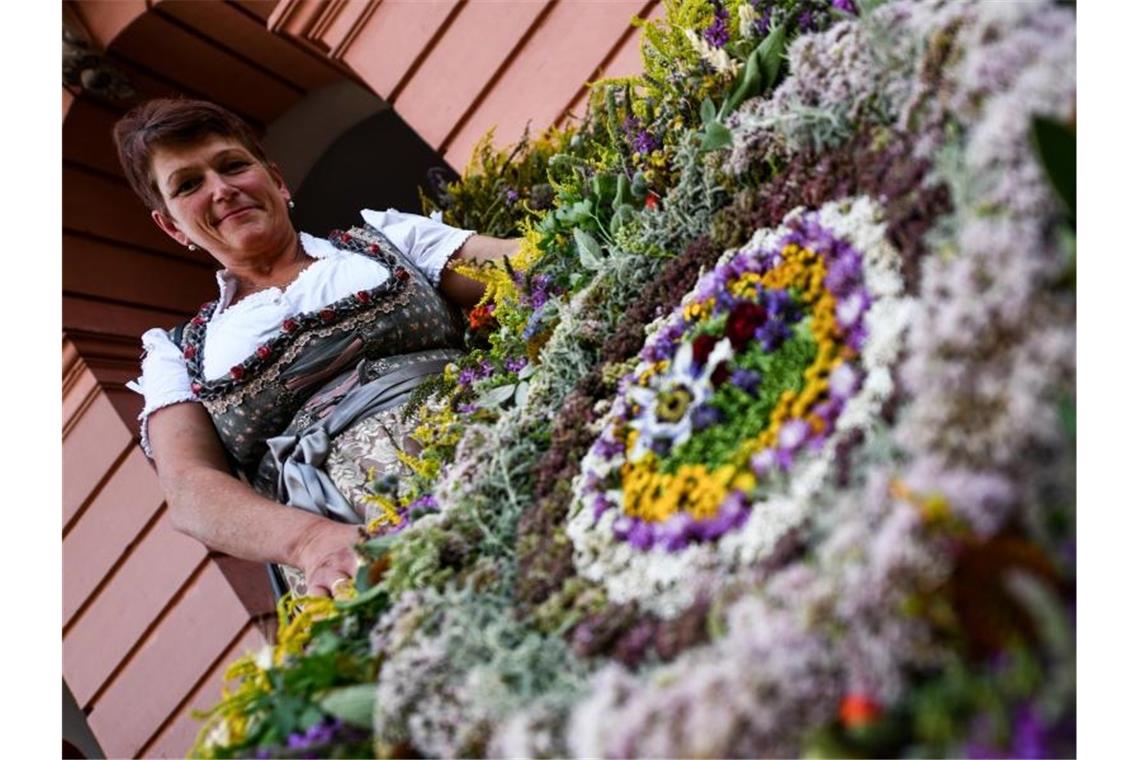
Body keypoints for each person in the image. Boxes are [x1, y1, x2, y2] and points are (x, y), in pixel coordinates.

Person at [116, 98, 518, 598]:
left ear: (277, 179)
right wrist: (311, 542)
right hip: (355, 561)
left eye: (233, 165)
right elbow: (191, 491)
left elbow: (520, 267)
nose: (221, 190)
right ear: (172, 226)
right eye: (189, 185)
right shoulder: (176, 356)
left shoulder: (389, 240)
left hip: (502, 453)